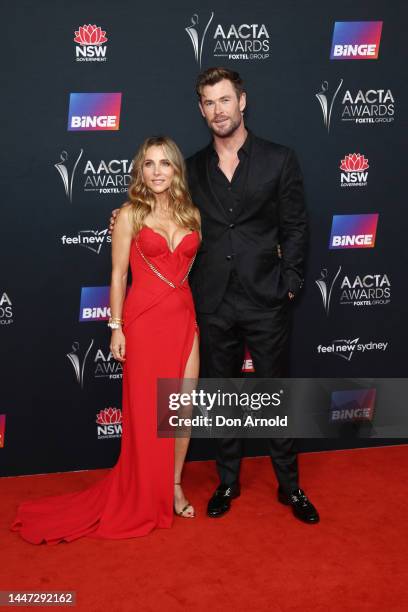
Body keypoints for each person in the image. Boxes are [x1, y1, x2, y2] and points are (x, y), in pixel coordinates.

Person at [110, 67, 320, 524]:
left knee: (273, 394)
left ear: (242, 102)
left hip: (266, 297)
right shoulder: (193, 169)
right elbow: (160, 207)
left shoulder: (279, 159)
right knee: (222, 397)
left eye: (225, 100)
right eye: (209, 102)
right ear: (201, 109)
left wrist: (290, 283)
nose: (218, 110)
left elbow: (296, 226)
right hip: (212, 301)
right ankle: (228, 481)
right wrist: (125, 217)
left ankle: (290, 485)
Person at [11, 136, 201, 544]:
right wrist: (116, 326)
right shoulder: (130, 215)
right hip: (144, 322)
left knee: (181, 409)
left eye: (165, 163)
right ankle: (143, 491)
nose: (156, 172)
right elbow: (118, 275)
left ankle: (173, 486)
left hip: (185, 320)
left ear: (176, 170)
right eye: (148, 164)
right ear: (140, 170)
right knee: (146, 412)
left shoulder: (193, 215)